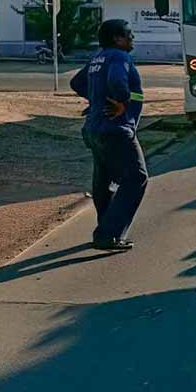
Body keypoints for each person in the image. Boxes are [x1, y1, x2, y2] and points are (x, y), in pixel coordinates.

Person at [70, 19, 147, 251]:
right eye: (128, 34)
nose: (132, 37)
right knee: (136, 178)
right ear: (117, 38)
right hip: (117, 130)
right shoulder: (119, 57)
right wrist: (122, 102)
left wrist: (97, 100)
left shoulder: (98, 57)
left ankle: (105, 227)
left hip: (94, 130)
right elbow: (116, 81)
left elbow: (76, 82)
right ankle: (109, 234)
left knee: (104, 183)